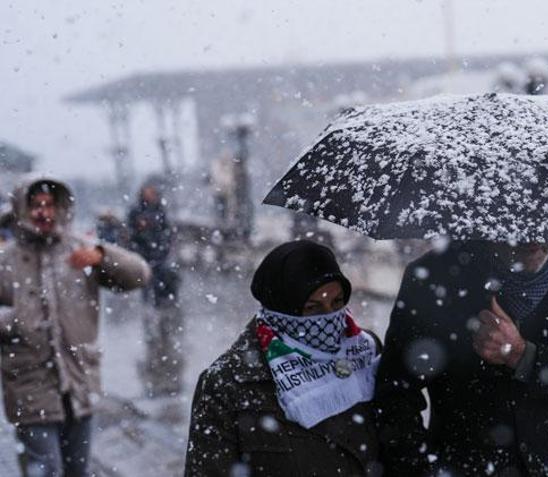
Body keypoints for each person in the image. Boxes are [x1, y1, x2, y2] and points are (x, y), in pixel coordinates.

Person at [375, 240, 548, 476]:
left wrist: (523, 355)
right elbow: (395, 395)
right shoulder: (434, 274)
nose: (535, 235)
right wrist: (420, 470)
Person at [185, 240, 383, 477]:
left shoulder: (365, 353)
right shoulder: (229, 384)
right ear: (281, 309)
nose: (330, 317)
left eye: (337, 302)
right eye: (313, 307)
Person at [0, 177, 150, 477]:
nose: (43, 213)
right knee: (46, 470)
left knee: (76, 470)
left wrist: (103, 258)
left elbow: (139, 274)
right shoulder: (7, 260)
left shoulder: (80, 249)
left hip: (79, 385)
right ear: (22, 210)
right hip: (30, 386)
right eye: (35, 206)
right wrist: (13, 321)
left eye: (49, 205)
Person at [127, 179, 182, 396]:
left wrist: (164, 249)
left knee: (162, 289)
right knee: (146, 288)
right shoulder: (136, 212)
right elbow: (130, 234)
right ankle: (151, 318)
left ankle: (161, 314)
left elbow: (167, 231)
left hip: (159, 258)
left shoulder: (160, 210)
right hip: (144, 258)